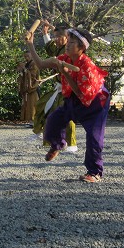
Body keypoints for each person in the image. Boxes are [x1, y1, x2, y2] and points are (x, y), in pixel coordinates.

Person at [25, 26, 110, 183]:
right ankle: (58, 144)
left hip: (96, 103)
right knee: (53, 120)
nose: (68, 45)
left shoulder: (87, 66)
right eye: (68, 41)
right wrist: (30, 43)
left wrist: (64, 73)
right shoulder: (65, 59)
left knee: (94, 138)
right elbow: (42, 64)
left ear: (81, 47)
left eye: (72, 42)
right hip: (75, 99)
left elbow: (80, 92)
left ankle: (95, 172)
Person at [31, 20, 78, 152]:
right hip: (59, 86)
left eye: (59, 37)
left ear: (67, 37)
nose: (56, 40)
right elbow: (52, 50)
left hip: (70, 88)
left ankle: (70, 143)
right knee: (42, 105)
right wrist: (46, 33)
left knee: (67, 115)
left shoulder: (71, 49)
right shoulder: (61, 48)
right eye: (55, 37)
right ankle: (44, 136)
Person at [17, 51, 40, 124]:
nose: (26, 58)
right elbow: (24, 74)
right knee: (27, 105)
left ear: (32, 56)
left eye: (28, 56)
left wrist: (25, 70)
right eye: (25, 56)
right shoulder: (27, 64)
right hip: (26, 88)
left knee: (33, 105)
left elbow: (33, 75)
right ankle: (29, 121)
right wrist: (21, 70)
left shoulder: (34, 64)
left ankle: (34, 121)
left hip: (33, 87)